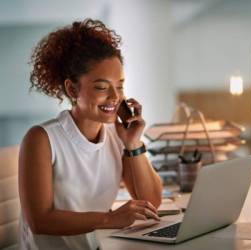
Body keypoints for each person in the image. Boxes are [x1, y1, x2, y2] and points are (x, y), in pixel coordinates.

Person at [18, 19, 163, 250]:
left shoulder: (117, 134)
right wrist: (109, 219)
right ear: (73, 89)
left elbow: (151, 202)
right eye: (102, 87)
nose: (115, 97)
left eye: (120, 85)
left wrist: (133, 144)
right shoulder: (41, 139)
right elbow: (40, 220)